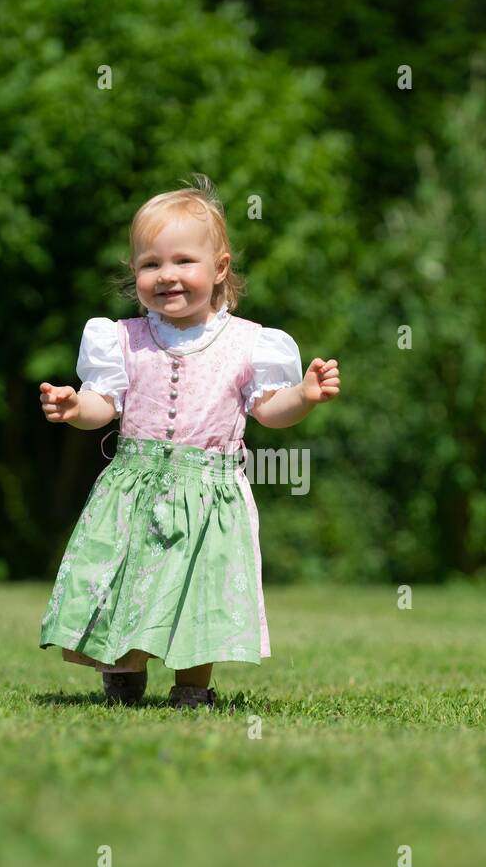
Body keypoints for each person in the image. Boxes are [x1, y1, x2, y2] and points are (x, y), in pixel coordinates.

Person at [38, 177, 340, 709]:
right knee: (126, 580)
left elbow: (269, 411)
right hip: (135, 487)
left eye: (183, 261)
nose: (167, 276)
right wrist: (74, 409)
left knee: (200, 591)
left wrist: (305, 395)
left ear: (219, 269)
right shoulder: (121, 339)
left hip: (211, 494)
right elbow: (102, 405)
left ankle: (193, 687)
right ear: (134, 274)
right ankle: (124, 676)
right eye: (151, 264)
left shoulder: (250, 343)